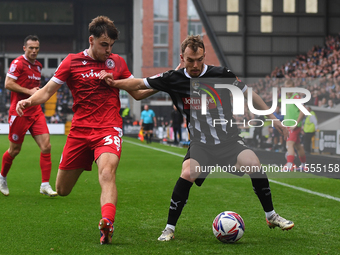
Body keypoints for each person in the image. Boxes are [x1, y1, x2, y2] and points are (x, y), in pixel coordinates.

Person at [99, 35, 295, 241]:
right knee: (187, 173)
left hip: (229, 140)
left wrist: (275, 119)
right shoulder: (173, 78)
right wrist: (113, 82)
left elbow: (249, 94)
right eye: (190, 60)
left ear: (204, 56)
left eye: (199, 59)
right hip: (201, 144)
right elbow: (139, 84)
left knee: (254, 163)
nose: (195, 64)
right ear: (182, 57)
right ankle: (169, 228)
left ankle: (271, 216)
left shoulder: (221, 74)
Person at [16, 16, 155, 245]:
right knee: (62, 189)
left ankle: (107, 224)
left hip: (108, 128)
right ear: (91, 40)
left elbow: (138, 92)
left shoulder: (117, 62)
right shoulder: (71, 62)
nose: (108, 50)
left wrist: (164, 84)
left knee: (107, 173)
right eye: (103, 45)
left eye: (111, 45)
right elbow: (47, 91)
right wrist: (29, 101)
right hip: (79, 132)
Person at [0, 35, 57, 197]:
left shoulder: (38, 66)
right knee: (14, 150)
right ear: (24, 48)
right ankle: (2, 177)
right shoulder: (17, 63)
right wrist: (29, 92)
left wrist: (36, 95)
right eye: (31, 48)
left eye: (36, 48)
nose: (34, 51)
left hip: (35, 111)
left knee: (46, 146)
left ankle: (45, 185)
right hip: (19, 113)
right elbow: (8, 83)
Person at [283, 80, 307, 171]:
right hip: (289, 125)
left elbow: (303, 110)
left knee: (290, 144)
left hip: (294, 126)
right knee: (298, 146)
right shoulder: (288, 97)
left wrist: (296, 123)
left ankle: (289, 165)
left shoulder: (295, 97)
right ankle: (304, 165)